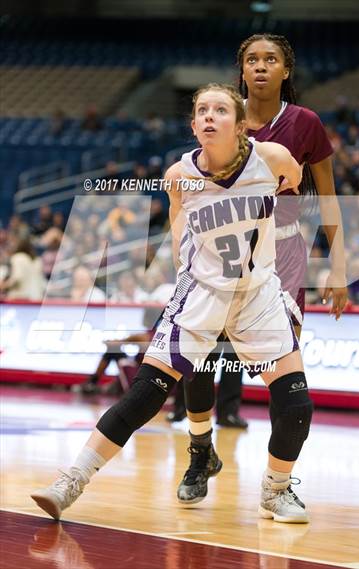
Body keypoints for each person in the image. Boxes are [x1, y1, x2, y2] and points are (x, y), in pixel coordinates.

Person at [31, 83, 311, 524]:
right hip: (201, 292)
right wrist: (189, 278)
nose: (209, 117)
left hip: (258, 292)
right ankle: (71, 481)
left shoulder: (272, 158)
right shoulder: (179, 174)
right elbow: (180, 229)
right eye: (202, 110)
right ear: (194, 124)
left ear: (241, 125)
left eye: (221, 110)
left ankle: (275, 491)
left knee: (295, 401)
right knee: (146, 392)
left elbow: (294, 182)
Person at [177, 34, 348, 505]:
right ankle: (199, 449)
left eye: (270, 59)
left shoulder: (305, 123)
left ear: (286, 70)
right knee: (200, 353)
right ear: (241, 70)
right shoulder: (223, 117)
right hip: (219, 251)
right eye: (251, 60)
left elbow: (329, 196)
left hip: (283, 255)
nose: (260, 67)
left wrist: (338, 265)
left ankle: (278, 482)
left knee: (285, 368)